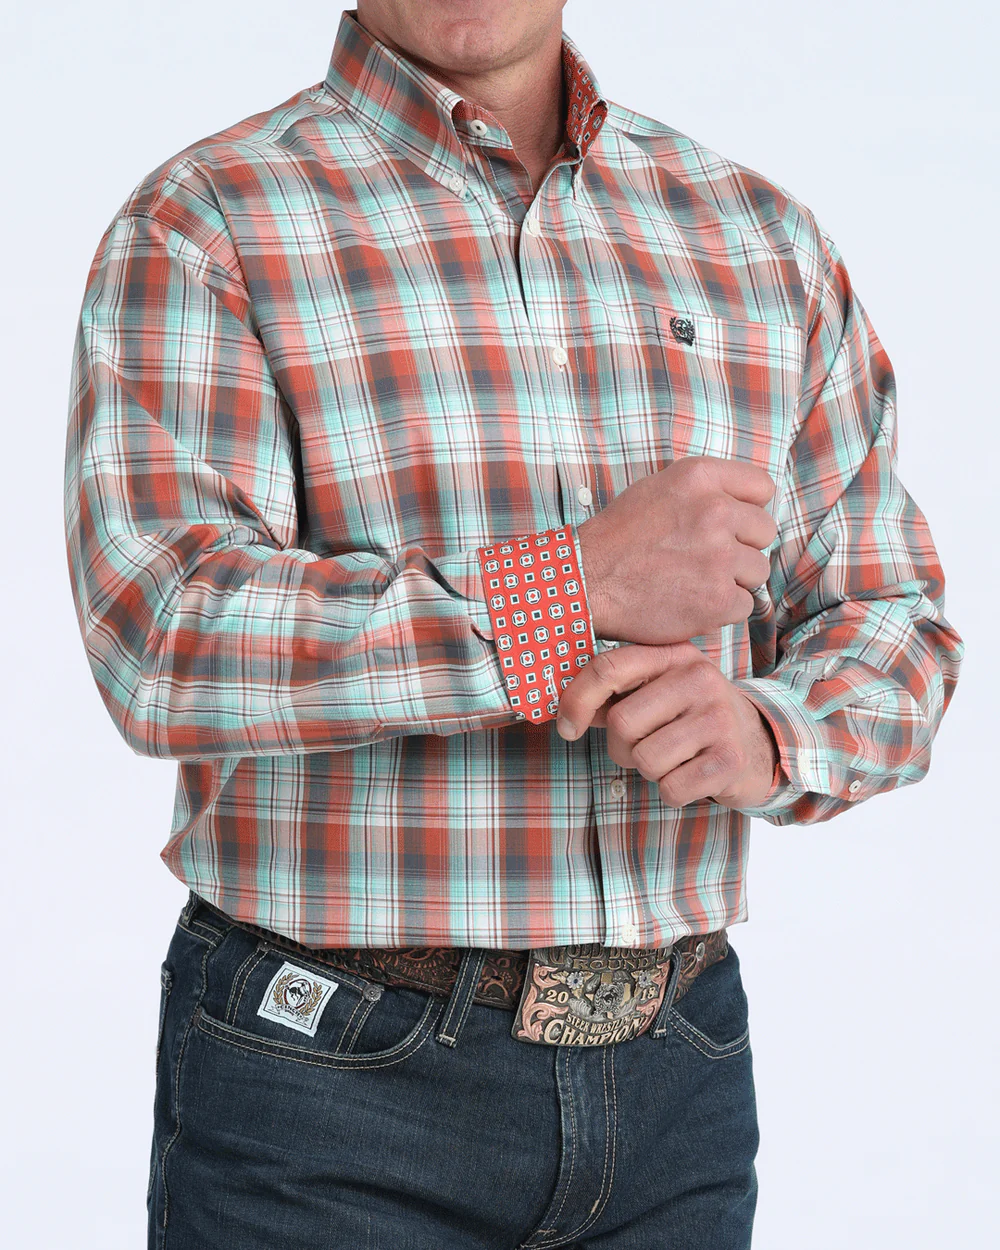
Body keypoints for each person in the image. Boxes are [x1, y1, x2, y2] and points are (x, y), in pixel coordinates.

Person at [62, 3, 964, 1247]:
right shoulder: (209, 221)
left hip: (678, 1072)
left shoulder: (759, 237)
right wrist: (567, 589)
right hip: (327, 1087)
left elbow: (892, 614)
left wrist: (772, 730)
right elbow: (160, 636)